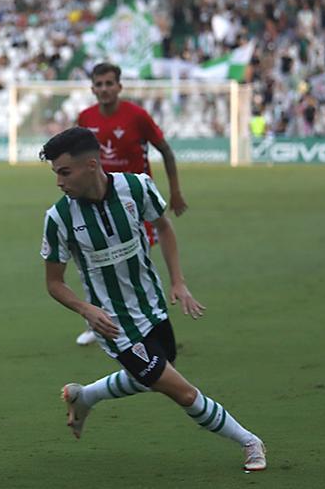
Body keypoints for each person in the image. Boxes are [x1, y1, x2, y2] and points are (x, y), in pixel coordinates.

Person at [39, 127, 266, 472]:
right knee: (182, 391)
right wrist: (86, 309)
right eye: (56, 173)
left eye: (64, 172)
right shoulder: (59, 218)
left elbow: (163, 227)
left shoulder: (137, 187)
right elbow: (54, 283)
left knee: (154, 372)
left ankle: (84, 396)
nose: (59, 181)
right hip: (114, 325)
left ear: (91, 165)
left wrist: (178, 281)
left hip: (153, 306)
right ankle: (250, 442)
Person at [73, 62, 188, 346]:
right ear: (92, 88)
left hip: (134, 202)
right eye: (98, 84)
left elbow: (166, 152)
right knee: (95, 262)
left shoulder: (137, 116)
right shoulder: (85, 117)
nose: (104, 89)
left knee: (134, 263)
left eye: (109, 83)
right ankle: (98, 321)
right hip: (97, 199)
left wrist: (175, 192)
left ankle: (149, 317)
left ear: (119, 87)